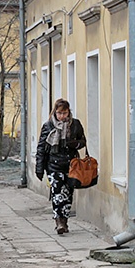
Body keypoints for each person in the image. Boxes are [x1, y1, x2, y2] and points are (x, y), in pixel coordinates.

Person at [35, 98, 86, 235]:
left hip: (71, 165)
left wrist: (74, 143)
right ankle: (59, 222)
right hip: (54, 165)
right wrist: (39, 168)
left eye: (64, 113)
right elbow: (41, 148)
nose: (62, 116)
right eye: (59, 113)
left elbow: (83, 141)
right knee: (57, 194)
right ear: (55, 112)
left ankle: (65, 219)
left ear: (69, 112)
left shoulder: (75, 125)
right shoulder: (48, 126)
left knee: (68, 194)